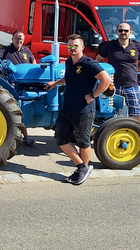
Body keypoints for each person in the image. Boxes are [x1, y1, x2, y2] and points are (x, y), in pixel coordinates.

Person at [46, 34, 112, 185]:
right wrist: (56, 83)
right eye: (70, 45)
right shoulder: (69, 62)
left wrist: (93, 95)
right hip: (68, 107)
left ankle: (82, 170)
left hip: (84, 109)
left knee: (83, 141)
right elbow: (69, 78)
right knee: (60, 137)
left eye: (75, 45)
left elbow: (106, 79)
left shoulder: (89, 63)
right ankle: (82, 166)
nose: (72, 48)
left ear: (82, 47)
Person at [96, 22, 140, 122]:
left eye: (126, 31)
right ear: (117, 32)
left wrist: (132, 72)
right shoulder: (109, 46)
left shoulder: (137, 46)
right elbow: (98, 60)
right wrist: (106, 74)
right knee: (110, 113)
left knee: (136, 113)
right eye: (121, 30)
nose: (123, 32)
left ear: (130, 32)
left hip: (131, 85)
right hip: (113, 85)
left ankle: (138, 135)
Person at [0, 30, 37, 145]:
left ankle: (24, 135)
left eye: (21, 39)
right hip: (12, 84)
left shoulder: (26, 50)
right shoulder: (6, 50)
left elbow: (33, 61)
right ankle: (23, 135)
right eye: (17, 38)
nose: (19, 41)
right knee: (16, 109)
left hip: (28, 83)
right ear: (12, 39)